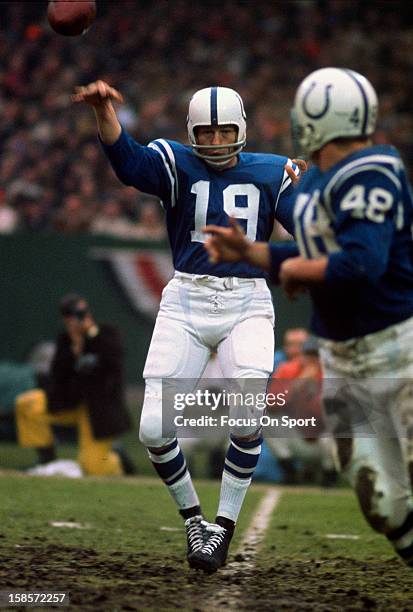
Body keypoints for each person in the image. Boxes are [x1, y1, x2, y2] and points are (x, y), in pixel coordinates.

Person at [72, 80, 303, 571]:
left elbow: (304, 225)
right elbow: (128, 161)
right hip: (186, 299)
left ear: (240, 129)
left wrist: (314, 193)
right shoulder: (176, 162)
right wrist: (103, 113)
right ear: (192, 132)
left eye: (224, 132)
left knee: (247, 415)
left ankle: (223, 528)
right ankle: (194, 520)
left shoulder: (271, 171)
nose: (216, 142)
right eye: (206, 132)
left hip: (246, 300)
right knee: (153, 429)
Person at [203, 67, 413, 566]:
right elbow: (313, 254)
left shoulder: (371, 170)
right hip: (342, 357)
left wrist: (299, 265)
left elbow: (362, 263)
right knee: (380, 501)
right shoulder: (315, 179)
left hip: (396, 348)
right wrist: (255, 254)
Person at [15, 294, 132, 476]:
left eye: (83, 312)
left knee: (92, 467)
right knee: (27, 403)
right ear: (66, 319)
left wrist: (90, 335)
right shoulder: (65, 341)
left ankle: (118, 461)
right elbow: (58, 376)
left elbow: (112, 362)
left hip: (98, 411)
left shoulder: (106, 333)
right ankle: (47, 459)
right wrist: (75, 348)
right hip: (69, 402)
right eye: (76, 314)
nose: (82, 318)